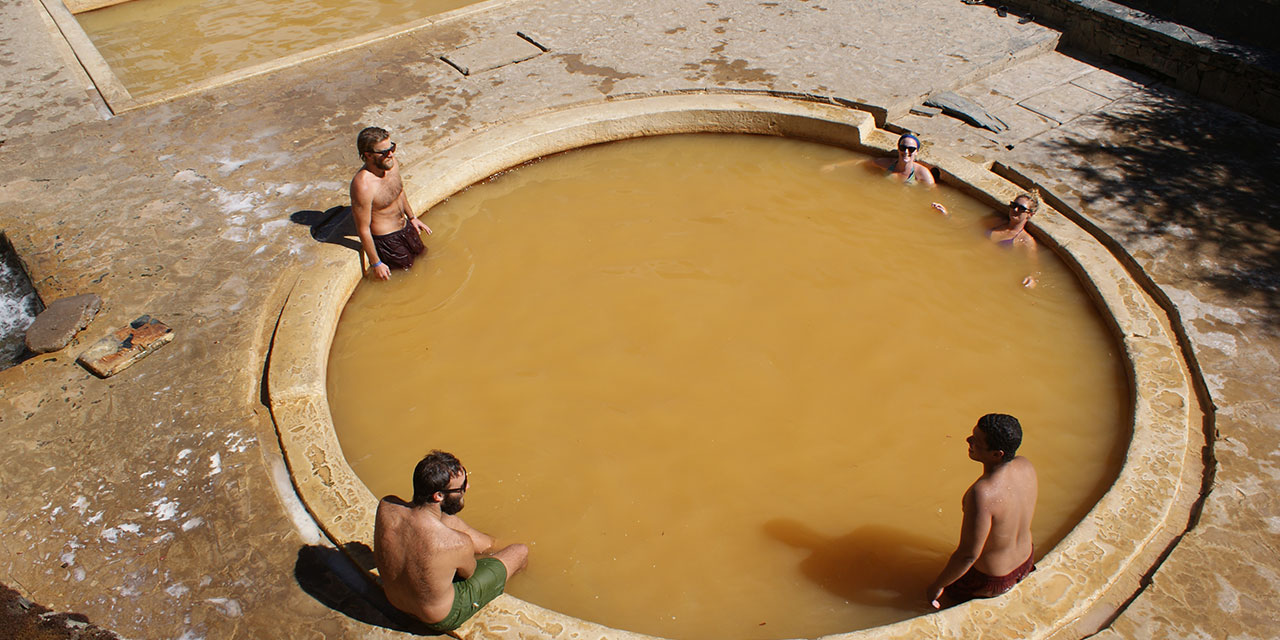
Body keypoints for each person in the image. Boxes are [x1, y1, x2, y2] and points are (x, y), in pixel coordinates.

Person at [374, 451, 529, 632]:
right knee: (520, 551)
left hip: (394, 599)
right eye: (461, 487)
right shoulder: (457, 544)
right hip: (438, 616)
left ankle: (492, 544)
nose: (467, 487)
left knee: (447, 521)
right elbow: (468, 574)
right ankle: (510, 571)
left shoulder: (387, 505)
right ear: (438, 496)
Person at [927, 413, 1038, 608]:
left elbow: (968, 555)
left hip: (994, 580)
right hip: (1027, 560)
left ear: (997, 454)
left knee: (937, 598)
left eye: (976, 441)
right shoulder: (1025, 465)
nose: (968, 440)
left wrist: (937, 586)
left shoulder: (983, 494)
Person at [350, 127, 432, 280]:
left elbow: (399, 191)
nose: (391, 154)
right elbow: (363, 229)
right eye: (384, 152)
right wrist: (376, 263)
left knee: (424, 256)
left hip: (405, 226)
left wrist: (412, 217)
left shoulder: (392, 164)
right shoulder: (363, 185)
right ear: (368, 155)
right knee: (408, 275)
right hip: (388, 239)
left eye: (392, 148)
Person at [987, 192, 1040, 287]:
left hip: (991, 272)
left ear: (1030, 214)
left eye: (1021, 209)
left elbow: (1033, 266)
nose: (1015, 209)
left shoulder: (1026, 241)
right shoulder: (996, 222)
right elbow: (968, 228)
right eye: (1014, 205)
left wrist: (1032, 278)